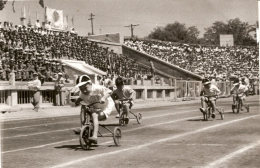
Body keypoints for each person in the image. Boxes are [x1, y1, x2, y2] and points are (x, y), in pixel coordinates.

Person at [73, 75, 114, 144]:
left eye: (85, 88)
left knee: (94, 115)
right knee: (83, 108)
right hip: (95, 107)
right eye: (81, 89)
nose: (84, 91)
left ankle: (95, 136)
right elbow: (81, 98)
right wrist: (77, 101)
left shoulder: (97, 88)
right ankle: (83, 127)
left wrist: (104, 97)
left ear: (90, 84)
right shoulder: (82, 93)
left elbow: (110, 91)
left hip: (105, 108)